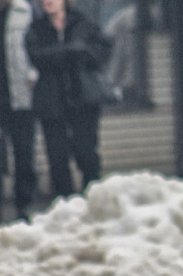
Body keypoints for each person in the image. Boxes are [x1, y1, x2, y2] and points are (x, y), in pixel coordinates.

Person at [25, 0, 111, 198]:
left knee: (87, 153)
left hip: (83, 99)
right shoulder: (36, 29)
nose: (47, 2)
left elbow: (100, 53)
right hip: (51, 101)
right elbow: (37, 57)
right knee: (57, 158)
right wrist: (72, 51)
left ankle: (92, 198)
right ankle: (65, 204)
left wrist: (71, 53)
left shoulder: (83, 23)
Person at [1, 0, 37, 222]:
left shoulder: (24, 12)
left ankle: (24, 204)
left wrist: (34, 72)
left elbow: (37, 45)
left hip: (19, 95)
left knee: (24, 152)